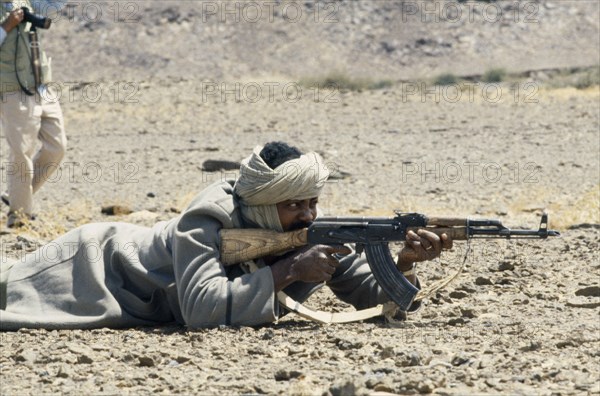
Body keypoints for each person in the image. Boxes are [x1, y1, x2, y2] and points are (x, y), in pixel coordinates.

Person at [0, 142, 452, 330]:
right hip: (96, 264)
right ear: (263, 202)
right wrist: (289, 271)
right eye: (295, 204)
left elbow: (373, 301)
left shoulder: (307, 229)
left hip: (140, 299)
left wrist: (405, 264)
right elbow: (202, 310)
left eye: (312, 202)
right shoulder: (209, 218)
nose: (308, 214)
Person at [0, 0, 67, 228]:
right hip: (12, 90)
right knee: (22, 152)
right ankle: (19, 217)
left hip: (40, 86)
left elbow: (53, 6)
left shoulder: (24, 0)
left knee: (57, 147)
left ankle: (18, 196)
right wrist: (6, 26)